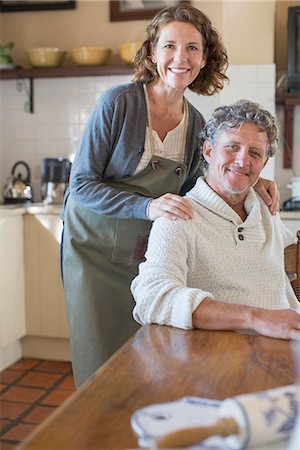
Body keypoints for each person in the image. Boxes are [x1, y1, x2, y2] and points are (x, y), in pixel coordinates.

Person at [62, 5, 280, 387]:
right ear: (152, 53)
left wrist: (251, 181)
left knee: (146, 354)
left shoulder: (196, 121)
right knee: (100, 361)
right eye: (169, 46)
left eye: (192, 48)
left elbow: (199, 180)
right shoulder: (119, 103)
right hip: (93, 251)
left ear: (205, 57)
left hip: (145, 251)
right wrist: (146, 205)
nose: (181, 58)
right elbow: (81, 184)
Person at [131, 100, 300, 340]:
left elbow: (292, 250)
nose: (243, 161)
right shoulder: (177, 217)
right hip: (218, 355)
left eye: (255, 153)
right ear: (208, 151)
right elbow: (152, 297)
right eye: (232, 147)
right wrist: (255, 318)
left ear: (263, 163)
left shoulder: (266, 207)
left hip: (285, 349)